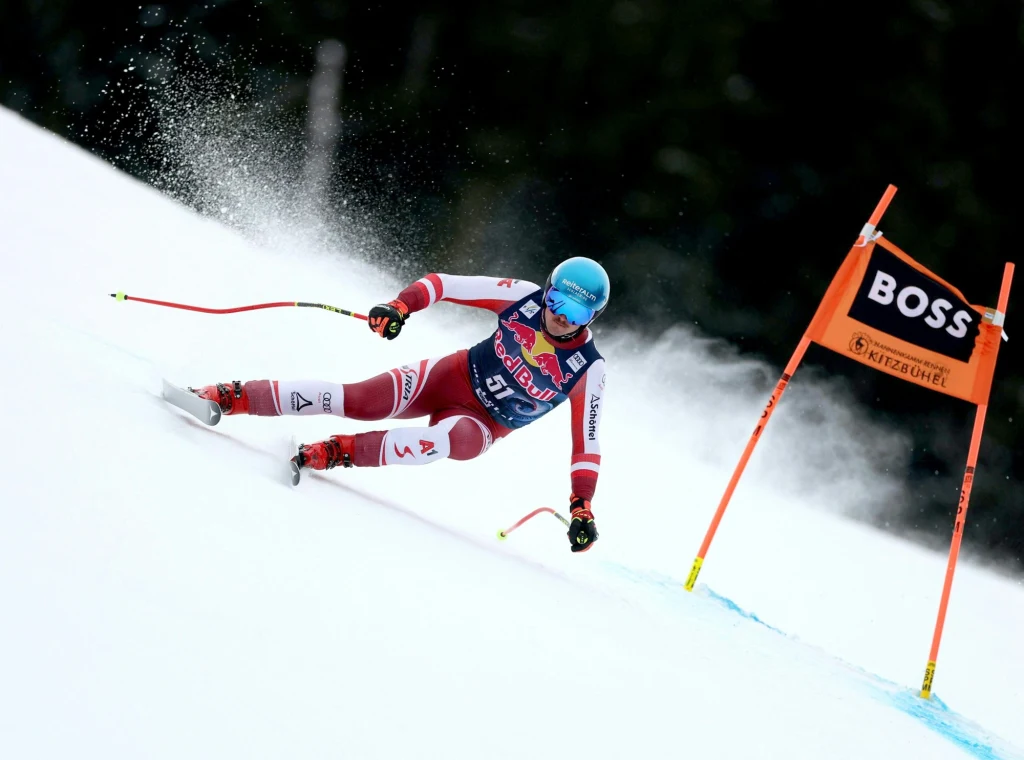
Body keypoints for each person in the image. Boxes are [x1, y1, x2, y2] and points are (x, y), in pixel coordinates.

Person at [191, 257, 609, 553]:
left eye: (576, 312)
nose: (560, 317)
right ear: (547, 289)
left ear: (592, 317)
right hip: (451, 377)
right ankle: (231, 396)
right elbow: (443, 283)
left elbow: (585, 444)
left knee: (441, 443)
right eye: (556, 301)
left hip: (482, 424)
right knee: (356, 400)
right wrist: (400, 305)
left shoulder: (588, 370)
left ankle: (336, 452)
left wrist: (581, 506)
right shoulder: (523, 297)